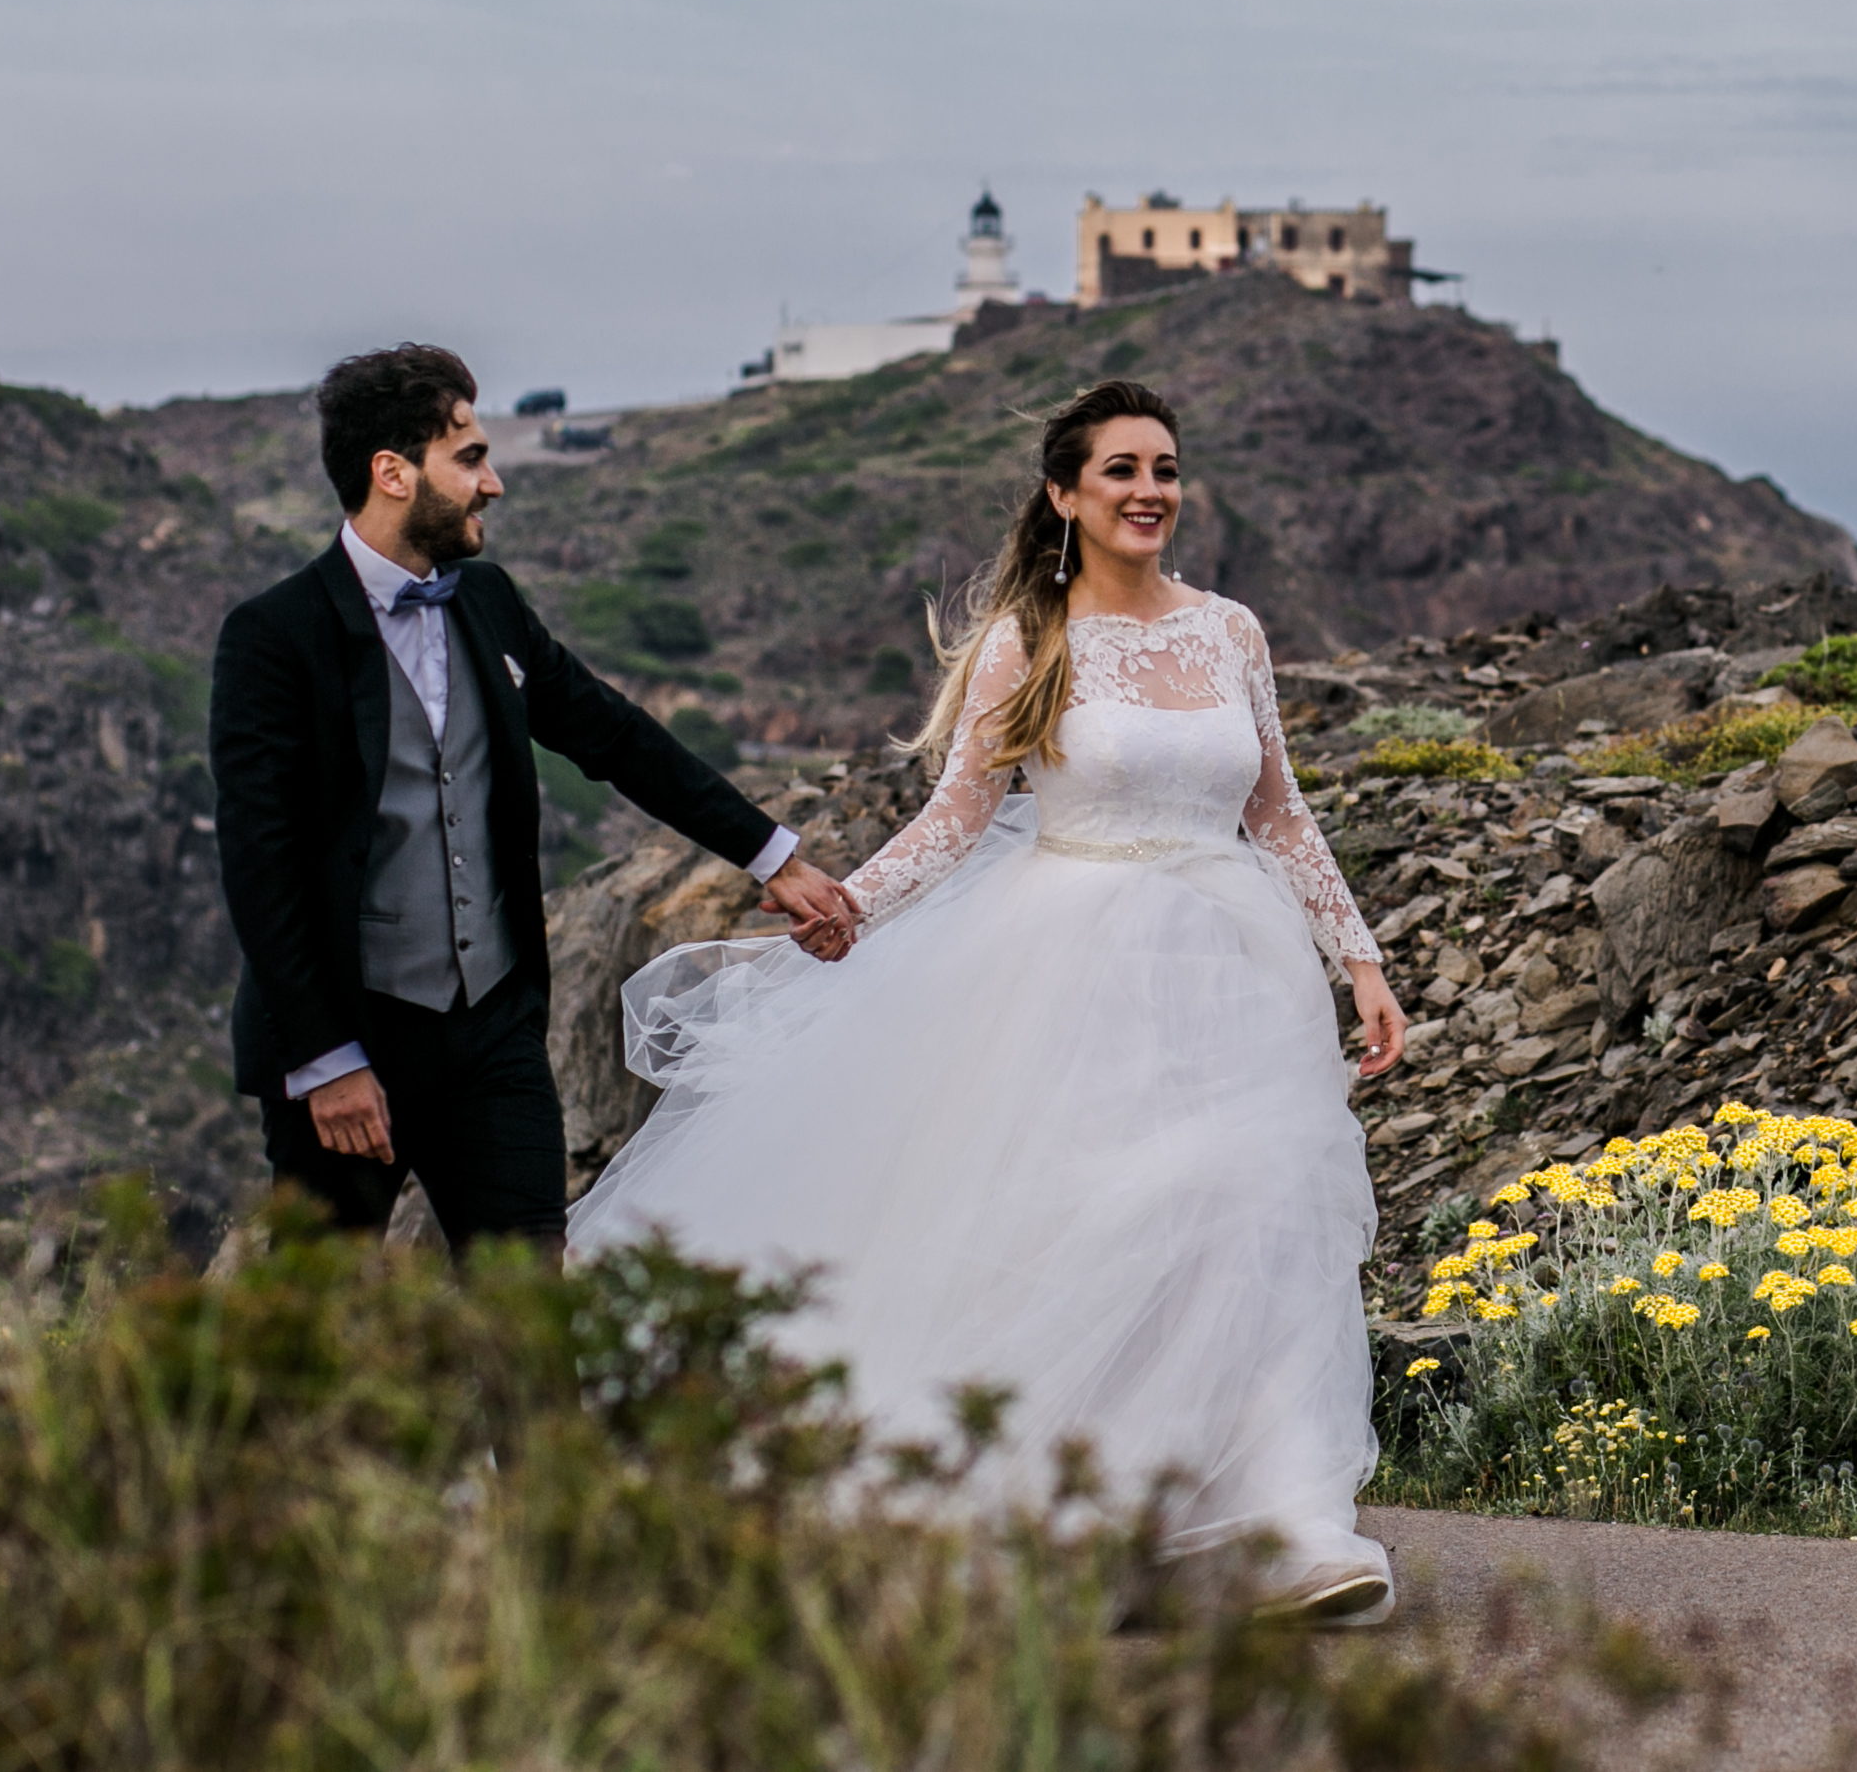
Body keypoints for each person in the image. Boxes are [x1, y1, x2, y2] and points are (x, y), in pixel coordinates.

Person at [569, 379, 1411, 1625]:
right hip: (1073, 962)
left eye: (1165, 467)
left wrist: (1361, 960)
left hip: (1236, 967)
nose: (1149, 492)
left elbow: (1277, 808)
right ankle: (1088, 1508)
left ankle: (1290, 1519)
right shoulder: (1033, 638)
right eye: (1120, 470)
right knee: (1109, 1216)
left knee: (1258, 1208)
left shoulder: (1232, 630)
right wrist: (843, 905)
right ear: (1066, 496)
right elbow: (957, 816)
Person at [210, 343, 863, 1250]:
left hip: (494, 1036)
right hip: (350, 1044)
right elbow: (259, 861)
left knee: (529, 1310)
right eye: (470, 458)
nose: (495, 483)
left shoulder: (490, 601)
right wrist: (326, 1061)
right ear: (391, 472)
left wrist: (773, 855)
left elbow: (617, 737)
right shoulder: (273, 636)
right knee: (325, 1335)